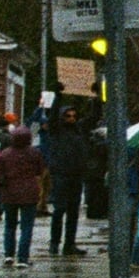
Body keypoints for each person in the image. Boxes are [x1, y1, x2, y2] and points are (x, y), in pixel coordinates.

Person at [0, 124, 45, 264]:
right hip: (29, 193)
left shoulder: (4, 154)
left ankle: (9, 255)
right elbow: (40, 171)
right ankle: (23, 257)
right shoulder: (35, 153)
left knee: (9, 225)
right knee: (27, 227)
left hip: (9, 194)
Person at [41, 106, 90, 256]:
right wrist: (57, 96)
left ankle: (69, 243)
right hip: (61, 174)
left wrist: (96, 98)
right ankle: (55, 243)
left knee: (73, 212)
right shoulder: (56, 131)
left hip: (76, 175)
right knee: (59, 210)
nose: (71, 118)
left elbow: (92, 117)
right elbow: (53, 117)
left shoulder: (79, 131)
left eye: (74, 116)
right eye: (68, 116)